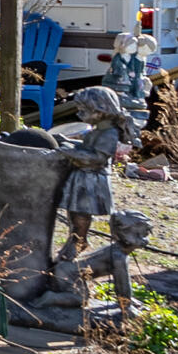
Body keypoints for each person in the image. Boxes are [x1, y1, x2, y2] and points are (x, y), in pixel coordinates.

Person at [58, 84, 138, 259]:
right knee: (74, 212)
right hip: (82, 178)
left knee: (81, 213)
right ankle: (75, 239)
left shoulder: (109, 134)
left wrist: (69, 152)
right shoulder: (97, 131)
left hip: (92, 180)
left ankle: (79, 240)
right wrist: (66, 142)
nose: (79, 115)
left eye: (83, 111)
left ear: (100, 111)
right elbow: (86, 147)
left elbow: (97, 159)